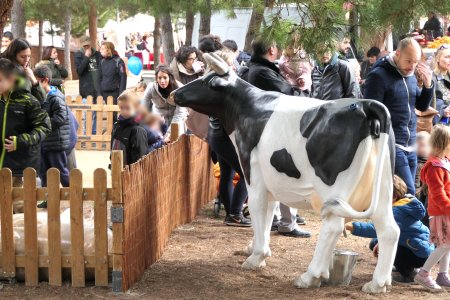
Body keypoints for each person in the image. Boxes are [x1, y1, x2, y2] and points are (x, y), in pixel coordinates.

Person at [246, 37, 310, 237]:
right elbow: (288, 95)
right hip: (277, 131)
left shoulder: (261, 69)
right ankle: (287, 223)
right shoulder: (263, 72)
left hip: (272, 130)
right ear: (272, 49)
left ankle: (283, 221)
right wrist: (305, 92)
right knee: (287, 175)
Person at [365, 37, 434, 195]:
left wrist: (428, 85)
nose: (412, 67)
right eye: (408, 61)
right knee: (407, 193)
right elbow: (371, 112)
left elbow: (421, 106)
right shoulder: (378, 75)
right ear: (397, 54)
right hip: (392, 143)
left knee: (409, 192)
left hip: (411, 142)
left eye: (415, 62)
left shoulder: (409, 74)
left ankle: (391, 219)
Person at [346, 175, 434, 284]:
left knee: (384, 245)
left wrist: (351, 226)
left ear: (393, 196)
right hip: (417, 247)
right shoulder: (404, 203)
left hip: (420, 254)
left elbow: (376, 228)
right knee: (376, 242)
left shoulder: (398, 211)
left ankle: (408, 275)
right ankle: (405, 267)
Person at [206, 48, 251, 227]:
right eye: (231, 62)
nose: (234, 65)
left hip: (215, 135)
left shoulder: (209, 81)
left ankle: (231, 214)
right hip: (224, 135)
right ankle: (234, 213)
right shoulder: (222, 82)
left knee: (227, 173)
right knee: (248, 174)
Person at [0, 58, 51, 212]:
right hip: (2, 166)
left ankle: (26, 237)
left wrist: (21, 141)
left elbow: (44, 127)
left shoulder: (28, 101)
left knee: (21, 209)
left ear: (11, 79)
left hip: (20, 167)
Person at [414, 124, 450, 291]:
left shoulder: (445, 161)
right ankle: (423, 273)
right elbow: (438, 194)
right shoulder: (435, 166)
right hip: (442, 211)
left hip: (446, 210)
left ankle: (443, 275)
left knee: (447, 243)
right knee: (444, 245)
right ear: (445, 144)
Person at [34, 65, 71, 196]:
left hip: (56, 142)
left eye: (37, 81)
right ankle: (48, 197)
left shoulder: (55, 97)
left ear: (45, 80)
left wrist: (43, 123)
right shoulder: (42, 96)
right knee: (44, 171)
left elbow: (60, 118)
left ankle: (73, 194)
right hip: (45, 142)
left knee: (60, 170)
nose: (35, 85)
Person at [143, 65, 187, 137]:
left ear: (170, 77)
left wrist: (169, 134)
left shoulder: (180, 89)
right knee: (158, 144)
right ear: (156, 78)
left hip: (177, 121)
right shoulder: (151, 87)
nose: (162, 81)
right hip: (158, 120)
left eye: (165, 78)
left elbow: (180, 113)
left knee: (176, 142)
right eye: (159, 78)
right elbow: (143, 107)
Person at [110, 91, 148, 166]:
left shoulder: (138, 129)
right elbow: (113, 145)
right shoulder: (117, 125)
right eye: (121, 108)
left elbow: (140, 155)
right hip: (116, 167)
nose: (124, 111)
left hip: (129, 172)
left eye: (128, 108)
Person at [74, 36, 102, 134]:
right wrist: (86, 57)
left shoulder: (97, 54)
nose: (86, 47)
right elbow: (79, 71)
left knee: (97, 113)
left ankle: (93, 132)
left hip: (98, 89)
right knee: (88, 113)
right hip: (86, 89)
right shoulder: (78, 55)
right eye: (84, 46)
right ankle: (87, 133)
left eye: (88, 45)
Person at [99, 41, 127, 123]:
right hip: (104, 92)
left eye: (103, 49)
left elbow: (123, 77)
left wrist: (121, 93)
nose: (100, 50)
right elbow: (99, 77)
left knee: (114, 115)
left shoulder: (118, 61)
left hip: (115, 92)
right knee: (109, 115)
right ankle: (112, 132)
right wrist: (100, 92)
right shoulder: (102, 62)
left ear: (109, 50)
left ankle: (115, 132)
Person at [433, 45, 450, 124]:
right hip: (442, 126)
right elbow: (430, 101)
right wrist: (443, 110)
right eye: (447, 57)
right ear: (438, 59)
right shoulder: (432, 78)